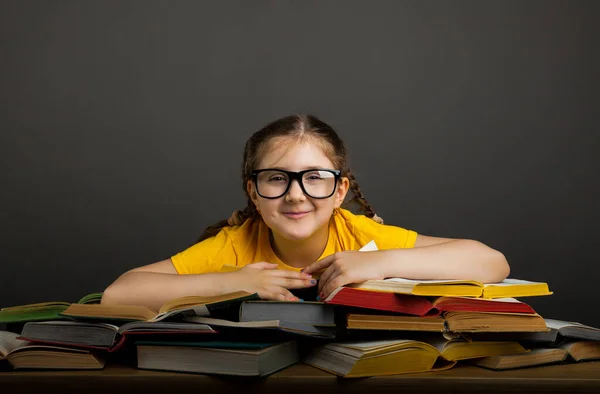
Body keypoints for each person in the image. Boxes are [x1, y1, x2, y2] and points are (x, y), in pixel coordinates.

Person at [101, 114, 510, 311]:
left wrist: (381, 263)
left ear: (340, 191)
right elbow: (118, 294)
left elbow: (492, 262)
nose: (296, 196)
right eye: (277, 179)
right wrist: (235, 281)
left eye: (315, 178)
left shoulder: (360, 238)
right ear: (254, 192)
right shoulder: (234, 245)